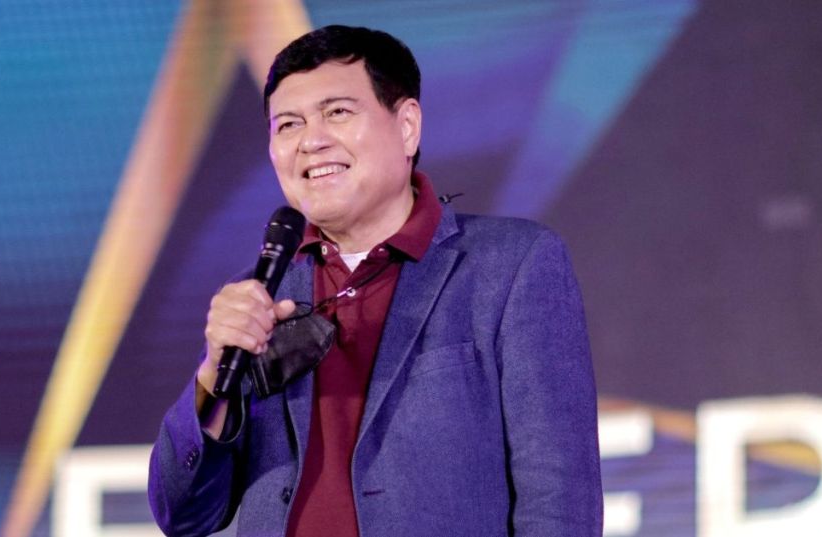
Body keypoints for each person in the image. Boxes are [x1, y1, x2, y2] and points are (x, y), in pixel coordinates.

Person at [148, 25, 602, 537]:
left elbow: (559, 498)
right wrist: (215, 374)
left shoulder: (509, 265)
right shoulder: (259, 296)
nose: (311, 141)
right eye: (288, 124)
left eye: (338, 112)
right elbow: (183, 514)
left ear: (407, 126)